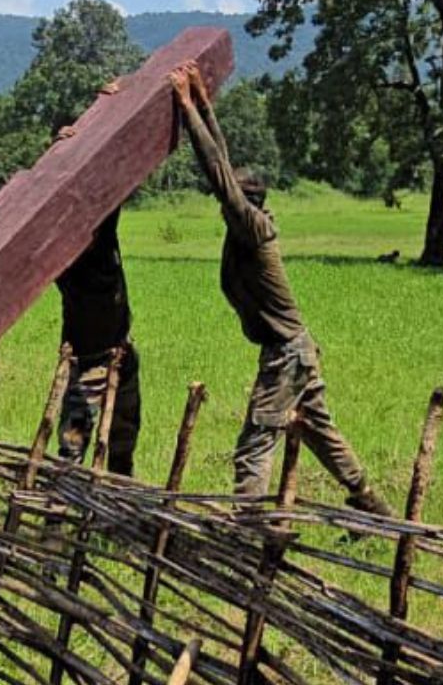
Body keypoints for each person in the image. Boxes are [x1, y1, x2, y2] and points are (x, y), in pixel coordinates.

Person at [170, 63, 392, 515]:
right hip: (295, 349)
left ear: (243, 203)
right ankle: (370, 504)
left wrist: (186, 107)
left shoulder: (253, 229)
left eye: (231, 199)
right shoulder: (246, 229)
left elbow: (218, 172)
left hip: (287, 353)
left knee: (257, 436)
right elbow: (225, 166)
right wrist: (202, 102)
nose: (222, 204)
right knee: (316, 428)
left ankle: (248, 524)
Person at [54, 207, 141, 477]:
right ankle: (58, 511)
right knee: (73, 445)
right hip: (86, 361)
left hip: (121, 354)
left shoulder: (105, 241)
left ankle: (119, 504)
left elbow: (111, 202)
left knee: (123, 440)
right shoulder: (66, 263)